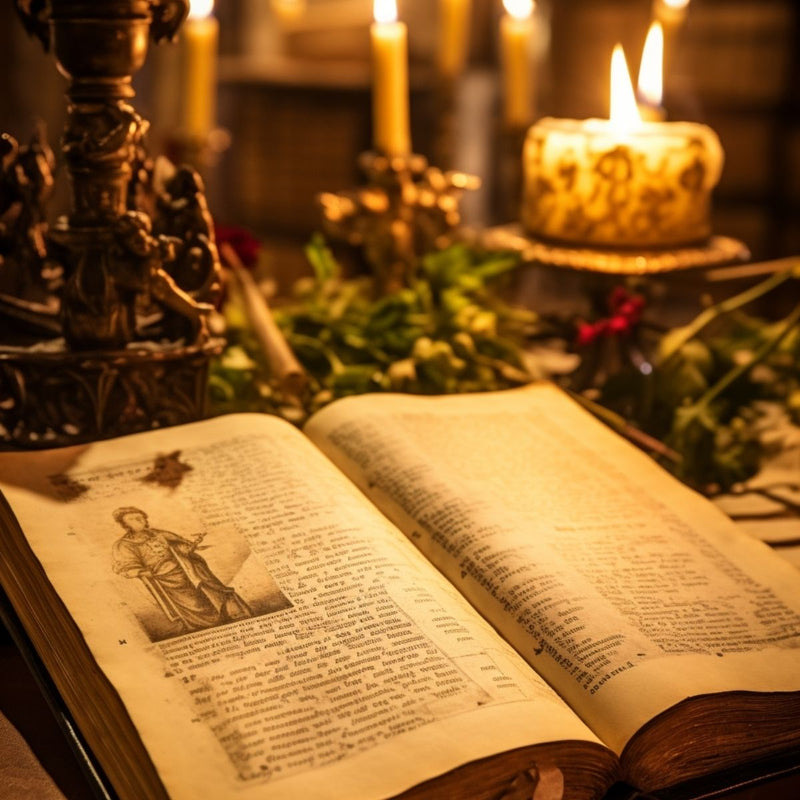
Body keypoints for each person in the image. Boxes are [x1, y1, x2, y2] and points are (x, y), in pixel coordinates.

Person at [111, 506, 251, 634]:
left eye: (140, 517)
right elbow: (125, 566)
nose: (138, 520)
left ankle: (228, 616)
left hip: (187, 570)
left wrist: (189, 547)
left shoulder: (159, 533)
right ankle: (207, 626)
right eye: (132, 519)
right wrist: (141, 572)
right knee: (194, 604)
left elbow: (181, 545)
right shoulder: (124, 545)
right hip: (164, 579)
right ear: (124, 524)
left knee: (211, 592)